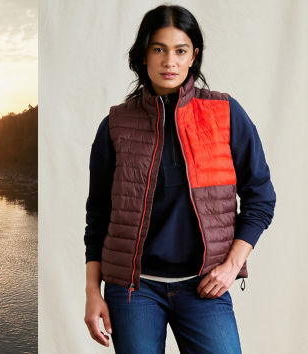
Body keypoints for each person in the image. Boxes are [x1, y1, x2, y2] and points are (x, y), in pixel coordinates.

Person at [82, 4, 276, 353]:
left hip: (203, 286)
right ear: (143, 55)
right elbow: (98, 215)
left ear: (193, 56)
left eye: (180, 50)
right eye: (159, 49)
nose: (169, 61)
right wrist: (92, 292)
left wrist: (231, 268)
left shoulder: (225, 113)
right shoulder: (115, 125)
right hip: (133, 290)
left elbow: (261, 197)